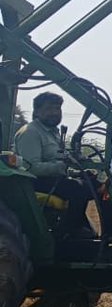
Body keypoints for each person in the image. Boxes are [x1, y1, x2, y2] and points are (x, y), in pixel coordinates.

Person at [14, 91, 96, 235]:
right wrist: (61, 167)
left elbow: (59, 162)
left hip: (52, 179)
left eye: (57, 108)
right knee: (78, 188)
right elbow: (31, 168)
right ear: (37, 111)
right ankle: (70, 232)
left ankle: (108, 229)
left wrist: (77, 172)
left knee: (96, 184)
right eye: (49, 109)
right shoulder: (30, 132)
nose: (54, 113)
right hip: (34, 182)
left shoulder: (53, 133)